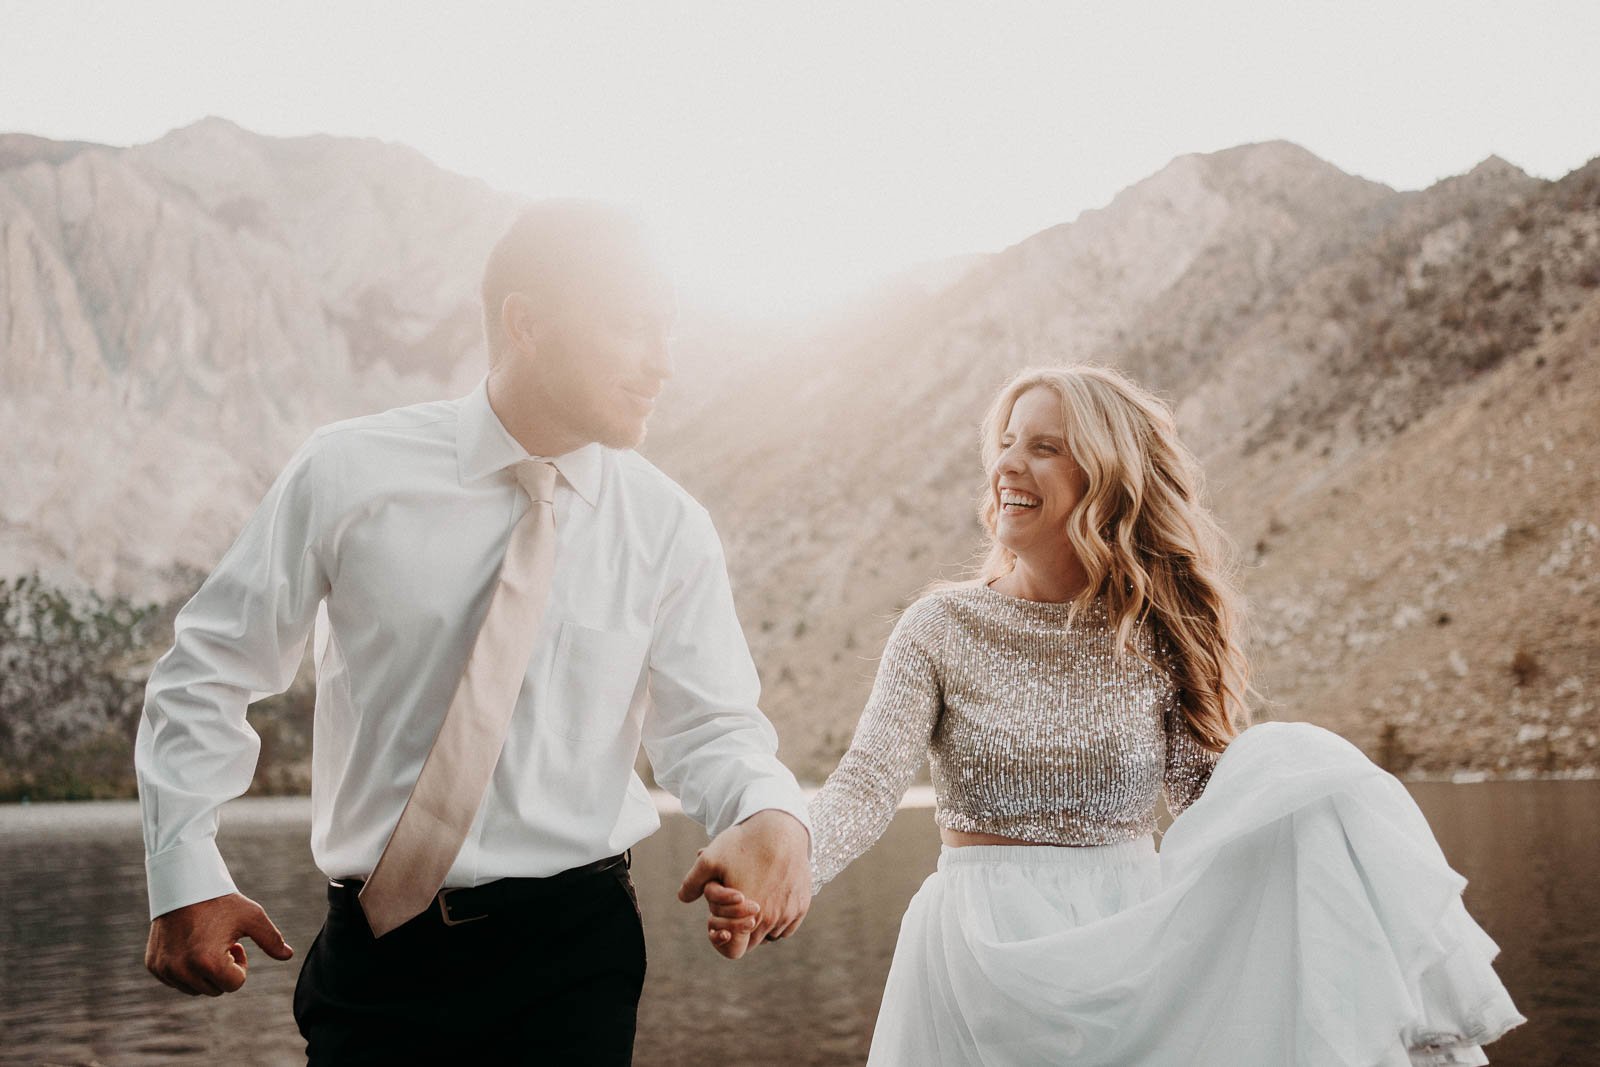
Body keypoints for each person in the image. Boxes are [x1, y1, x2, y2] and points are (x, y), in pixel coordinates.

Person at [135, 199, 813, 1065]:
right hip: (376, 963)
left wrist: (770, 811)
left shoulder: (669, 526)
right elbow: (209, 667)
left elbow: (715, 727)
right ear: (525, 323)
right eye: (632, 329)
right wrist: (182, 866)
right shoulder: (346, 473)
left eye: (668, 331)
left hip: (577, 959)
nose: (662, 365)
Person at [708, 364, 1525, 1065]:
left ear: (1104, 478)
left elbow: (1212, 806)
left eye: (1043, 444)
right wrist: (790, 872)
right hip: (975, 954)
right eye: (1005, 440)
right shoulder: (939, 626)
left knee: (1311, 772)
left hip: (1138, 950)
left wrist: (1323, 821)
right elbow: (864, 787)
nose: (1007, 464)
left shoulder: (1159, 630)